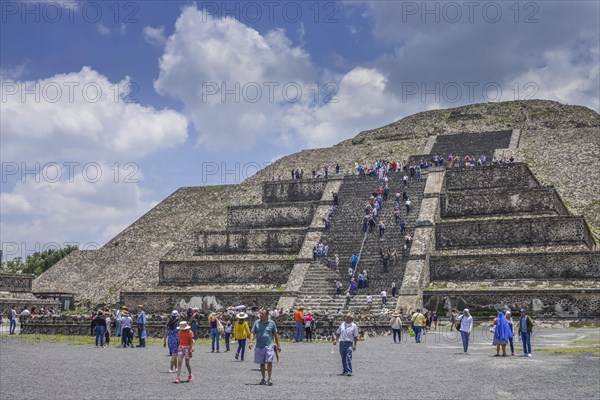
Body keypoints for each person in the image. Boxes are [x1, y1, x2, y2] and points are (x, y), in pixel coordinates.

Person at [249, 309, 282, 386]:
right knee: (262, 363)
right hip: (259, 346)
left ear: (267, 315)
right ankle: (263, 378)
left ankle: (269, 378)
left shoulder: (272, 323)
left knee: (269, 361)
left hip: (269, 345)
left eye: (262, 314)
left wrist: (278, 345)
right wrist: (251, 341)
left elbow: (275, 334)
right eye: (260, 314)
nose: (260, 315)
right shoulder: (256, 323)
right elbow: (252, 333)